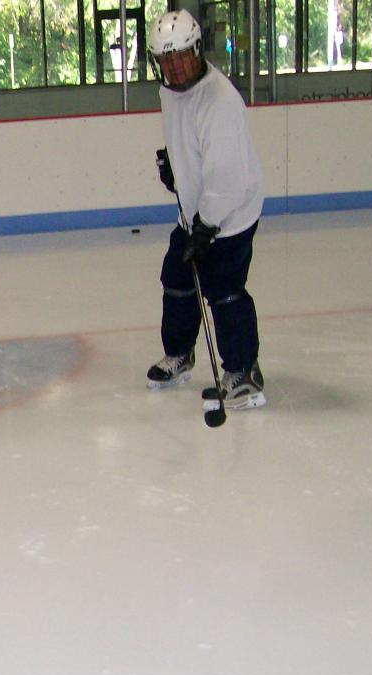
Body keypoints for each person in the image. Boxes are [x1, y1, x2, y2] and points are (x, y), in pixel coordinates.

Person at [145, 10, 266, 411]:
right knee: (176, 278)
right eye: (165, 59)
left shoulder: (221, 102)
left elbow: (227, 177)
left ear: (197, 51)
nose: (174, 67)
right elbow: (192, 146)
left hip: (228, 215)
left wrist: (206, 229)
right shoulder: (170, 91)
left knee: (223, 288)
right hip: (196, 212)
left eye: (180, 56)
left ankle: (243, 372)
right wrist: (175, 170)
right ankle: (180, 354)